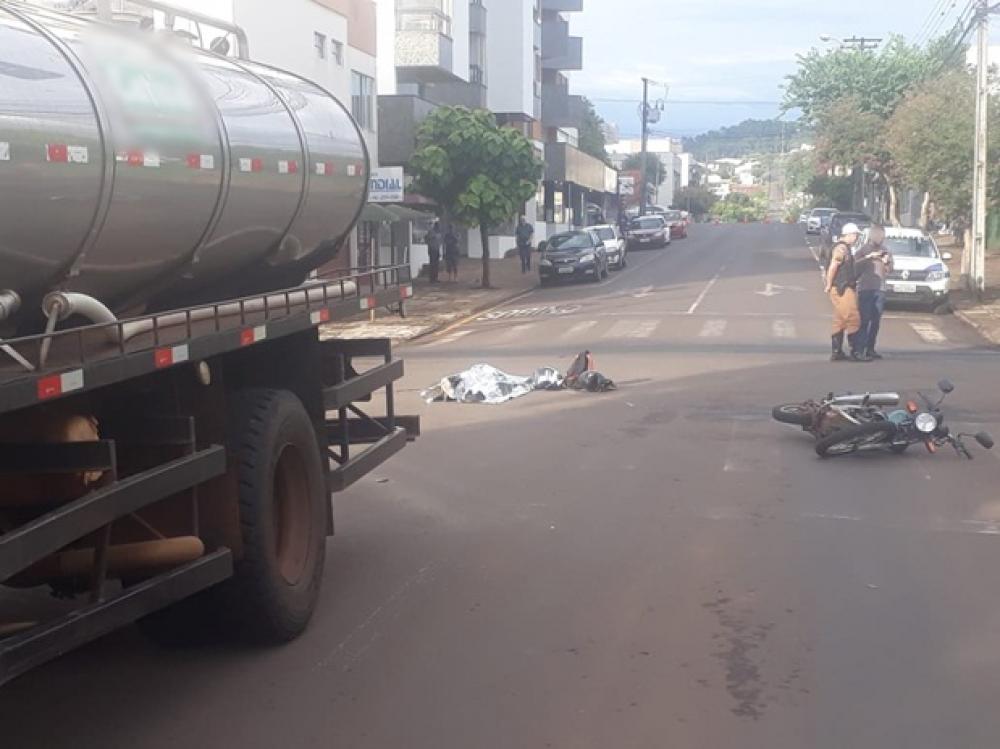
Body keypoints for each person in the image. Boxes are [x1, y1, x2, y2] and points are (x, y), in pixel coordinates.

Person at [823, 222, 865, 362]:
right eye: (856, 235)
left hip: (840, 287)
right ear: (849, 234)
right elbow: (833, 266)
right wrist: (829, 284)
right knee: (853, 317)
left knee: (840, 320)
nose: (856, 238)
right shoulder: (841, 248)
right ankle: (856, 352)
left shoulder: (844, 247)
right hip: (842, 288)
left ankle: (837, 351)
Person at [854, 225, 893, 360]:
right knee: (864, 320)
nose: (880, 239)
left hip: (880, 289)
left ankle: (870, 348)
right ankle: (859, 349)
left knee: (875, 321)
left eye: (882, 236)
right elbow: (855, 266)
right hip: (865, 288)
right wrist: (868, 257)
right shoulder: (863, 250)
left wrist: (886, 262)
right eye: (878, 236)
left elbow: (890, 269)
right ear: (872, 236)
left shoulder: (886, 250)